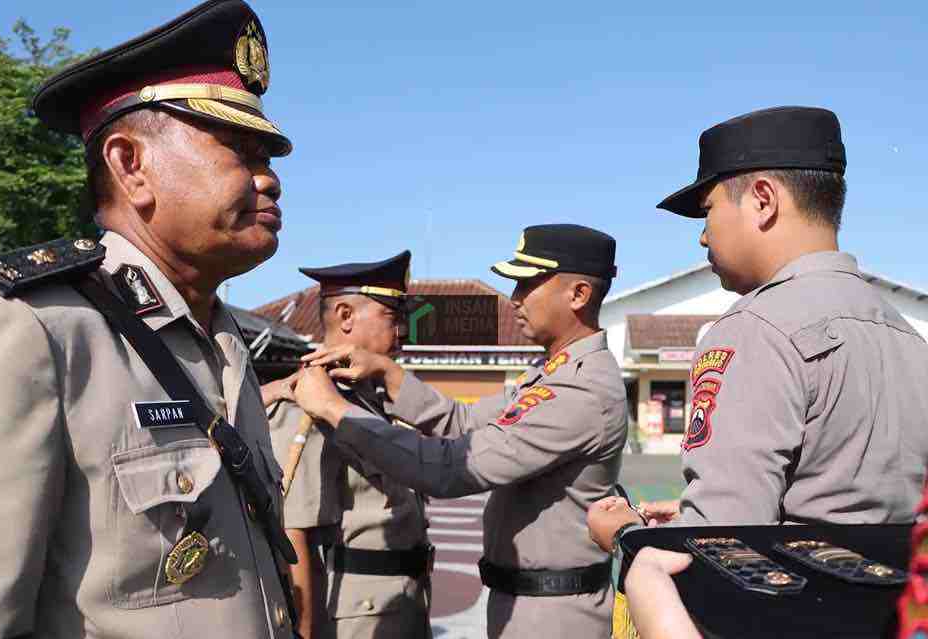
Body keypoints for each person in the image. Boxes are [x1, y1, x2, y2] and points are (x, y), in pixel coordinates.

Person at [0, 2, 298, 637]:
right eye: (240, 150)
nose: (270, 180)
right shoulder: (38, 329)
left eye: (272, 158)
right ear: (130, 165)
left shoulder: (224, 343)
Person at [587, 106, 928, 548]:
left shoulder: (752, 331)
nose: (703, 237)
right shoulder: (907, 336)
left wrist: (625, 535)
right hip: (891, 611)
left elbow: (718, 544)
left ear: (763, 200)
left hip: (788, 611)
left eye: (708, 211)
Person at [290, 224, 628, 639]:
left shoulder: (580, 390)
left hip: (553, 614)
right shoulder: (549, 375)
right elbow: (463, 423)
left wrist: (333, 409)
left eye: (528, 283)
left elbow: (450, 468)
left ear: (578, 294)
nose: (516, 299)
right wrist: (389, 374)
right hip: (527, 603)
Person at [262, 251, 433, 639]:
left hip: (403, 601)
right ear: (345, 316)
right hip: (355, 616)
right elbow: (295, 536)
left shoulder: (369, 397)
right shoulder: (307, 402)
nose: (403, 332)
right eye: (392, 318)